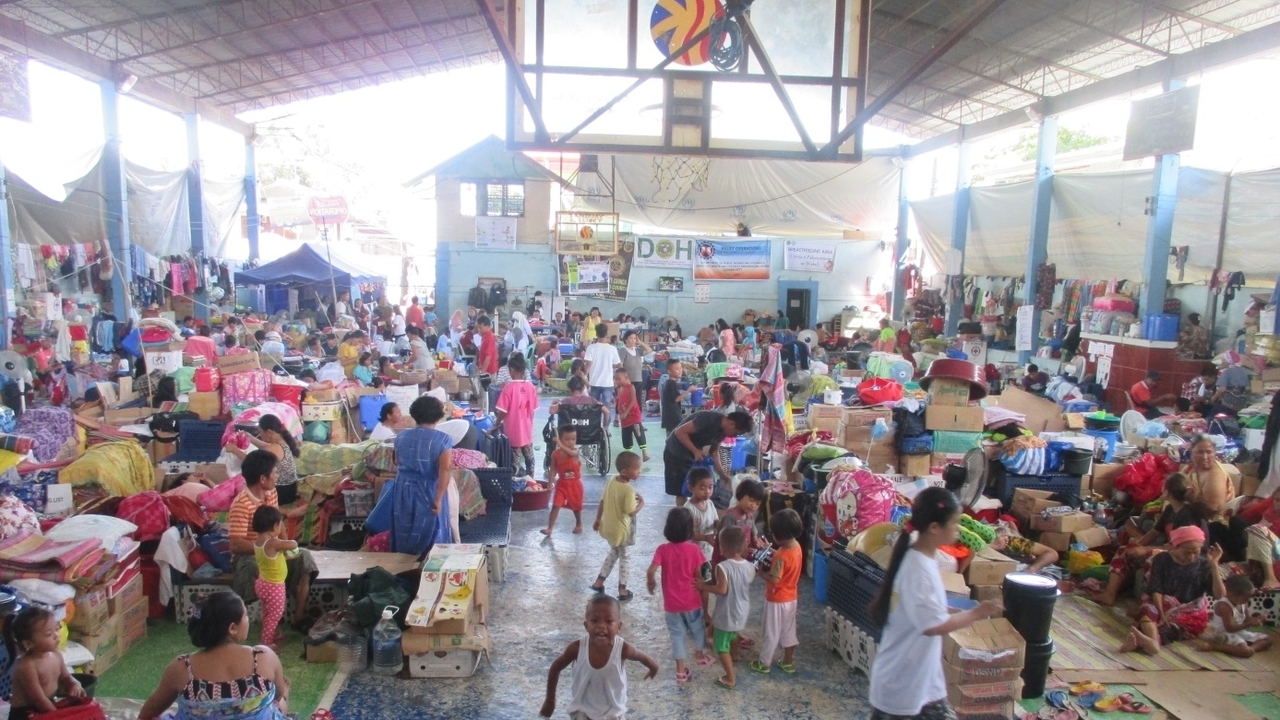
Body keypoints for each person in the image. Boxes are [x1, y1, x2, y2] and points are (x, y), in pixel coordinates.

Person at [868, 487, 1002, 719]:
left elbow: (919, 607)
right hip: (902, 685)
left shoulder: (922, 559)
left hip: (920, 681)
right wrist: (977, 613)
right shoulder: (918, 568)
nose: (957, 528)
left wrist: (948, 610)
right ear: (934, 528)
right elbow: (932, 626)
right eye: (953, 522)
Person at [138, 591, 290, 720]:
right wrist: (283, 695)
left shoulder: (183, 668)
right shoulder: (263, 657)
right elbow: (278, 693)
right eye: (246, 616)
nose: (248, 620)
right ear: (232, 628)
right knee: (278, 702)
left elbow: (153, 707)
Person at [227, 451, 315, 634]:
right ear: (262, 478)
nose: (277, 476)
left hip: (273, 552)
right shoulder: (240, 504)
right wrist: (268, 549)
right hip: (248, 557)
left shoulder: (271, 492)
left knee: (305, 558)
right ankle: (253, 620)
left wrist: (284, 545)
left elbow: (277, 521)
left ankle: (298, 618)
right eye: (275, 472)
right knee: (255, 566)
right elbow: (235, 545)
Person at [1089, 472, 1209, 606]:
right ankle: (1109, 594)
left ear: (1167, 492)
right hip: (1172, 550)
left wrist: (1146, 549)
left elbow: (1181, 548)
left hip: (1188, 556)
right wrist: (1137, 545)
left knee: (1154, 559)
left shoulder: (1186, 515)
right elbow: (1154, 532)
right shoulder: (1170, 510)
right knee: (1125, 550)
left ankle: (1148, 605)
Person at [540, 596, 658, 720]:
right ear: (586, 625)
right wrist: (550, 701)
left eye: (609, 621)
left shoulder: (622, 649)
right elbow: (555, 668)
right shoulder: (577, 649)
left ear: (619, 626)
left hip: (613, 715)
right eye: (595, 620)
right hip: (582, 713)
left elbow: (641, 657)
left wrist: (653, 668)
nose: (602, 626)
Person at [1120, 525, 1225, 655]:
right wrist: (1161, 612)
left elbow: (1220, 595)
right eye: (1187, 552)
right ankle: (1150, 642)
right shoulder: (1162, 559)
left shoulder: (1204, 565)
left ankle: (1147, 642)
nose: (1192, 556)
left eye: (1196, 552)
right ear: (1176, 546)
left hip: (1189, 613)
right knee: (1147, 609)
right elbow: (1156, 588)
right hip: (1163, 606)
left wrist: (1214, 566)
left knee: (1163, 628)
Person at [647, 507, 713, 684]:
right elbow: (705, 573)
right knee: (698, 628)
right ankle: (699, 655)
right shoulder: (693, 550)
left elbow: (651, 569)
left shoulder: (662, 549)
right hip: (692, 602)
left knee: (677, 635)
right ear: (690, 530)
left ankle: (681, 671)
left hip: (672, 605)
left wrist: (650, 582)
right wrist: (706, 583)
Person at [390, 395, 453, 557]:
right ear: (438, 416)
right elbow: (444, 470)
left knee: (404, 527)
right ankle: (428, 573)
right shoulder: (443, 440)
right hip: (429, 489)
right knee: (431, 530)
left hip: (403, 489)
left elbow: (396, 461)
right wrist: (438, 499)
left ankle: (402, 569)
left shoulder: (401, 436)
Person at [696, 525, 754, 689]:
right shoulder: (750, 566)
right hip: (742, 610)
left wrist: (704, 586)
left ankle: (730, 677)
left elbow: (722, 590)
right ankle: (734, 656)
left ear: (721, 548)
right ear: (744, 546)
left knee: (720, 646)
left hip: (727, 612)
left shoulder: (723, 567)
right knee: (734, 634)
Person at [748, 508, 803, 675]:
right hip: (791, 597)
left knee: (771, 631)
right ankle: (787, 662)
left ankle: (764, 663)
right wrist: (770, 550)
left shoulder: (781, 556)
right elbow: (782, 558)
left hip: (776, 598)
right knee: (788, 631)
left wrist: (760, 572)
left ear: (779, 536)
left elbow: (775, 578)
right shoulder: (796, 547)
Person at [664, 410, 754, 507]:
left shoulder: (723, 432)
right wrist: (695, 451)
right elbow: (680, 432)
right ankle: (682, 517)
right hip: (675, 453)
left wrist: (723, 475)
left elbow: (714, 453)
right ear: (732, 423)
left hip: (692, 456)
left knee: (697, 487)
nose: (734, 436)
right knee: (681, 491)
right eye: (736, 433)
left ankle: (696, 514)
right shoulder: (708, 419)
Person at [9, 607, 85, 719]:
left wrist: (74, 685)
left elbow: (66, 677)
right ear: (28, 644)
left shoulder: (56, 655)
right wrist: (60, 716)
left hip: (48, 705)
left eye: (57, 629)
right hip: (25, 713)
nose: (56, 636)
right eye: (49, 634)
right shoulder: (26, 666)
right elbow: (38, 700)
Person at [590, 452, 645, 601]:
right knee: (625, 557)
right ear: (625, 472)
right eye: (636, 468)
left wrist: (597, 519)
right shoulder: (628, 490)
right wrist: (642, 503)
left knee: (614, 553)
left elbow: (602, 501)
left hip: (609, 527)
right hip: (622, 531)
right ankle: (622, 590)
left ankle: (599, 582)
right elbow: (631, 512)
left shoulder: (611, 480)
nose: (639, 471)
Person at [1183, 434, 1244, 559]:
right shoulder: (1192, 468)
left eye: (1209, 452)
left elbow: (1212, 509)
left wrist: (1189, 499)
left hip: (1214, 525)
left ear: (1215, 453)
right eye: (1200, 452)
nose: (1205, 456)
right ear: (1191, 452)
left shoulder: (1214, 475)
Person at [224, 414, 302, 506]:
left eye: (260, 432)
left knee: (243, 481)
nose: (260, 435)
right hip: (290, 490)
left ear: (269, 432)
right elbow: (265, 446)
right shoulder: (282, 442)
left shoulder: (274, 448)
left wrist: (234, 450)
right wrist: (250, 438)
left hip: (282, 493)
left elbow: (252, 463)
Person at [251, 506, 296, 651]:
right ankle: (266, 642)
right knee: (274, 615)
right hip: (274, 586)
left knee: (267, 612)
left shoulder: (258, 541)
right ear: (275, 525)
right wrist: (292, 544)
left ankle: (272, 633)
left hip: (262, 583)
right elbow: (292, 544)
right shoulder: (272, 543)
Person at [1199, 575, 1271, 658]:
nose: (1248, 600)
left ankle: (1249, 649)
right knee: (1244, 650)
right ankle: (1215, 646)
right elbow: (1229, 628)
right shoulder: (1224, 606)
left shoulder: (1243, 602)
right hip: (1224, 634)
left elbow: (1247, 619)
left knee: (1268, 639)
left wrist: (1258, 620)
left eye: (1249, 597)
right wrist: (1249, 624)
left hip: (1238, 632)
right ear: (1231, 595)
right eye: (1246, 598)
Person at [494, 353, 539, 476]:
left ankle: (516, 488)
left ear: (511, 369)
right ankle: (532, 482)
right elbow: (533, 410)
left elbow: (503, 411)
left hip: (513, 432)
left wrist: (496, 424)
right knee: (530, 460)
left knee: (515, 464)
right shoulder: (531, 387)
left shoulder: (509, 388)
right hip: (527, 432)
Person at [542, 426, 585, 536]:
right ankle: (550, 528)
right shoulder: (555, 454)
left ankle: (579, 524)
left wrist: (560, 445)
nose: (571, 442)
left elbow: (572, 454)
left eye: (573, 439)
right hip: (562, 484)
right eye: (567, 439)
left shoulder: (576, 451)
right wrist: (550, 482)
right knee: (556, 505)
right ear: (561, 439)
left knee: (576, 507)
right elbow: (553, 469)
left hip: (575, 485)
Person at [614, 368, 649, 463]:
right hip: (624, 419)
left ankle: (644, 453)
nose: (617, 381)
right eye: (615, 379)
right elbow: (620, 400)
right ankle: (628, 455)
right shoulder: (619, 389)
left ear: (626, 378)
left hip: (633, 416)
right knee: (626, 436)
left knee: (638, 433)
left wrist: (626, 412)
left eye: (619, 379)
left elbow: (633, 400)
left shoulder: (631, 387)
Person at [584, 323, 622, 410]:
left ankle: (594, 423)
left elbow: (588, 364)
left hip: (594, 382)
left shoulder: (591, 348)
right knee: (606, 408)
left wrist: (584, 377)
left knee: (593, 407)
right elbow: (618, 364)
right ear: (607, 333)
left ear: (596, 333)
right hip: (608, 383)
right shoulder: (612, 349)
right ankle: (606, 424)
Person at [619, 331, 651, 407]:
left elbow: (649, 350)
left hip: (638, 379)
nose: (633, 340)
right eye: (631, 338)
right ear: (626, 339)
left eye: (634, 338)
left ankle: (638, 416)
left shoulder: (637, 350)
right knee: (629, 400)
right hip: (628, 380)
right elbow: (621, 365)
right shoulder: (623, 350)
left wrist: (640, 342)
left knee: (638, 400)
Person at [660, 360, 690, 436]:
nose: (680, 371)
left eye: (680, 368)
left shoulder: (668, 383)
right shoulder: (671, 383)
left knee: (671, 437)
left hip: (669, 416)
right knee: (674, 437)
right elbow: (676, 399)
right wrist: (689, 390)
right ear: (669, 371)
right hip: (673, 416)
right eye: (677, 369)